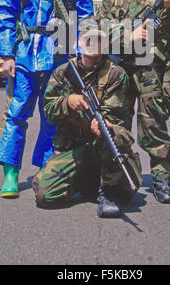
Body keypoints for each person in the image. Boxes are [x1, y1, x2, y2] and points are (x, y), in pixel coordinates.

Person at [0, 0, 94, 198]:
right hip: (25, 53)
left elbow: (85, 17)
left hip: (59, 55)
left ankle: (45, 169)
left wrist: (81, 54)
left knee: (53, 117)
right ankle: (10, 174)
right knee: (16, 114)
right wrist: (6, 54)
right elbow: (4, 13)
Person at [97, 0, 170, 204]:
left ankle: (161, 178)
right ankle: (112, 179)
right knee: (114, 123)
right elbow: (100, 31)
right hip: (120, 71)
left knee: (153, 125)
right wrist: (128, 35)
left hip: (149, 71)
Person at [32, 17, 142, 218]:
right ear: (80, 42)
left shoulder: (116, 75)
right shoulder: (63, 72)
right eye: (88, 39)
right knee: (44, 196)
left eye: (98, 40)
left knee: (112, 135)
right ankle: (85, 181)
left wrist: (105, 123)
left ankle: (108, 191)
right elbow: (48, 111)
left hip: (103, 145)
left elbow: (119, 118)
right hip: (74, 149)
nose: (93, 44)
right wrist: (68, 102)